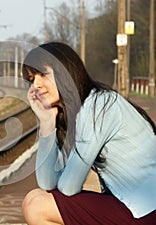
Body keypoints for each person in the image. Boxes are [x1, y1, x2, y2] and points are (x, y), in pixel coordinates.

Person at [21, 42, 156, 225]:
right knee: (34, 198)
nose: (36, 84)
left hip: (147, 209)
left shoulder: (99, 106)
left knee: (37, 206)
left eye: (42, 74)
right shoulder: (75, 112)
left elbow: (69, 187)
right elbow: (46, 183)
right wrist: (47, 123)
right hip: (130, 204)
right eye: (31, 79)